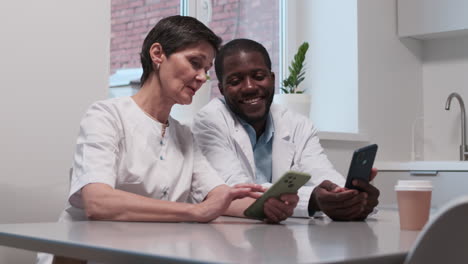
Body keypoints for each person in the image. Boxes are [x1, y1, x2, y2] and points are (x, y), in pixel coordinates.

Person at [37, 17, 265, 264]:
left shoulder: (184, 135)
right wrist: (194, 211)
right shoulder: (106, 116)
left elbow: (220, 196)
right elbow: (98, 202)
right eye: (194, 63)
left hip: (149, 254)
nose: (202, 77)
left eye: (206, 70)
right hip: (84, 257)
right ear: (157, 54)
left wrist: (268, 206)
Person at [193, 38, 380, 222]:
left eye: (258, 77)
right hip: (231, 235)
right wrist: (313, 200)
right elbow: (236, 188)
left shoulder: (298, 124)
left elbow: (323, 174)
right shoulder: (209, 121)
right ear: (222, 89)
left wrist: (351, 198)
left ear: (272, 79)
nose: (249, 87)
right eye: (235, 81)